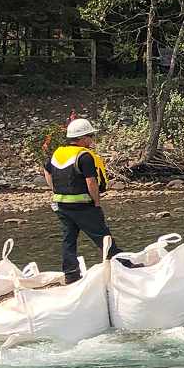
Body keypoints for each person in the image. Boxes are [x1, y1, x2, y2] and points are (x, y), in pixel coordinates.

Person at [44, 117, 121, 282]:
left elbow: (47, 170)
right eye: (90, 136)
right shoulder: (84, 156)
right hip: (83, 206)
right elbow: (91, 182)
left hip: (62, 205)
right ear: (83, 138)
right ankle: (122, 265)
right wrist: (97, 203)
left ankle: (71, 274)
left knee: (68, 240)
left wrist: (54, 189)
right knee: (102, 236)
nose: (92, 140)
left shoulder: (57, 153)